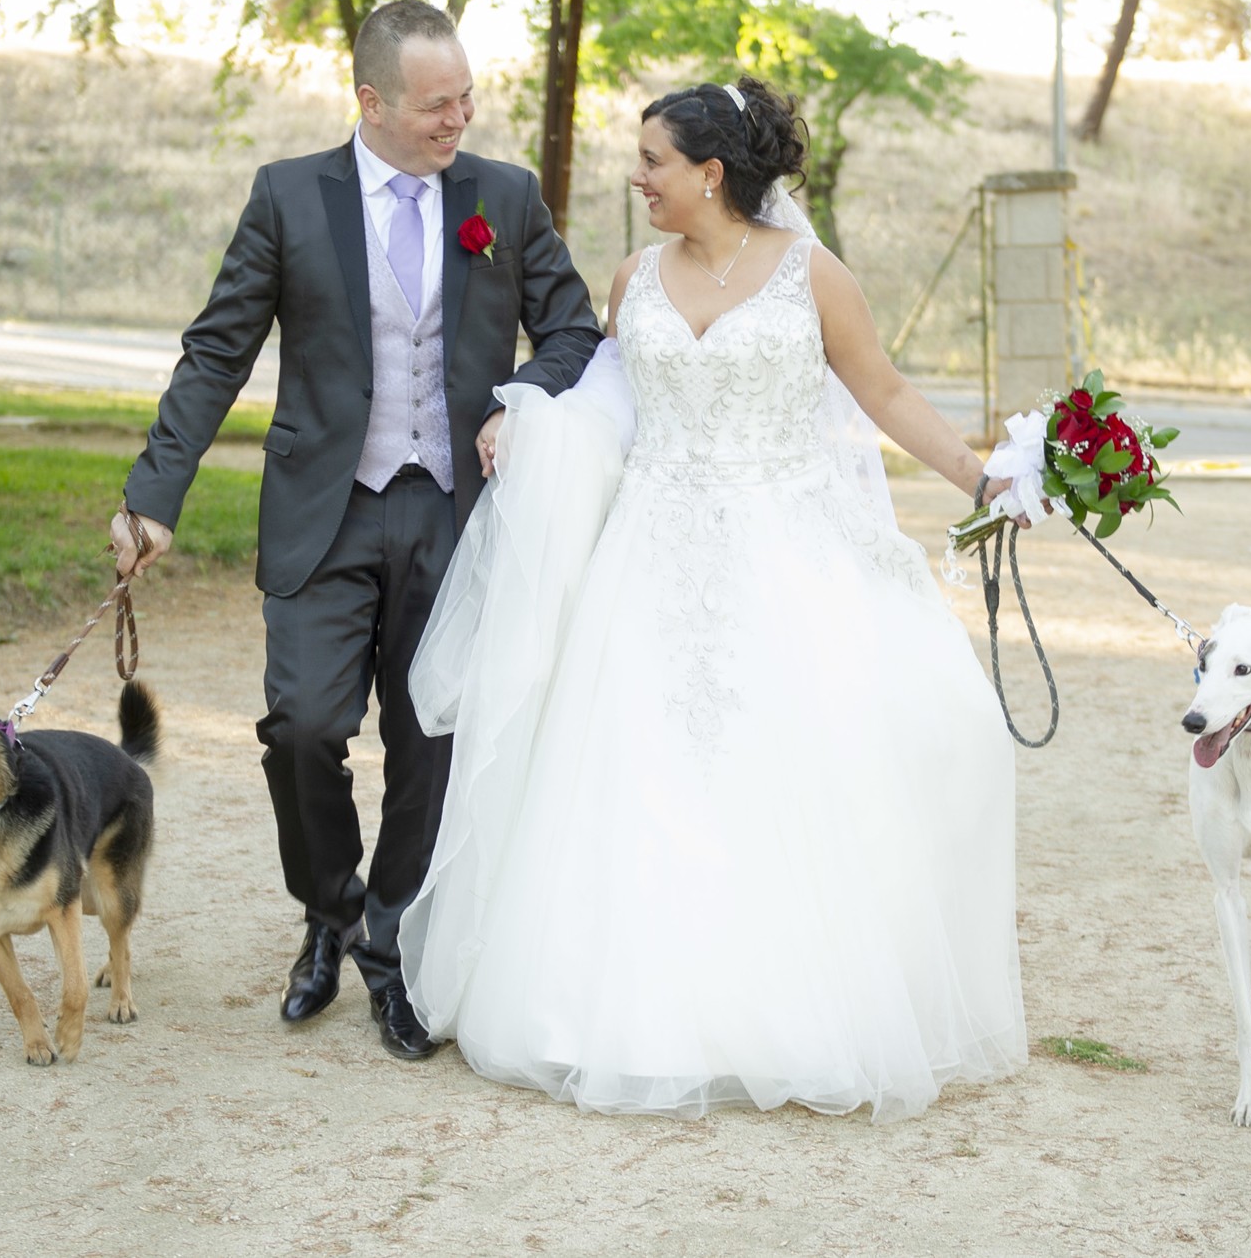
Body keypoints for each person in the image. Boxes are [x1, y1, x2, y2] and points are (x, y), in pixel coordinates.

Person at [397, 78, 1029, 1120]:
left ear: (710, 171)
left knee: (787, 772)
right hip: (649, 558)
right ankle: (628, 1017)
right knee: (637, 774)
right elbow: (611, 401)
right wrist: (535, 421)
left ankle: (788, 1013)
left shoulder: (812, 275)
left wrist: (980, 477)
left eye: (652, 160)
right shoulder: (633, 278)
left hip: (784, 553)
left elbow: (882, 390)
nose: (636, 177)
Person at [109, 0, 603, 1060]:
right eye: (436, 104)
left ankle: (391, 940)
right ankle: (328, 909)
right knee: (300, 725)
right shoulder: (289, 196)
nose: (458, 119)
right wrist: (154, 494)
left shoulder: (504, 196)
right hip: (324, 510)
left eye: (467, 98)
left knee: (430, 738)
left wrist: (521, 398)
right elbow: (217, 350)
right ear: (371, 102)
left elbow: (573, 330)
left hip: (455, 512)